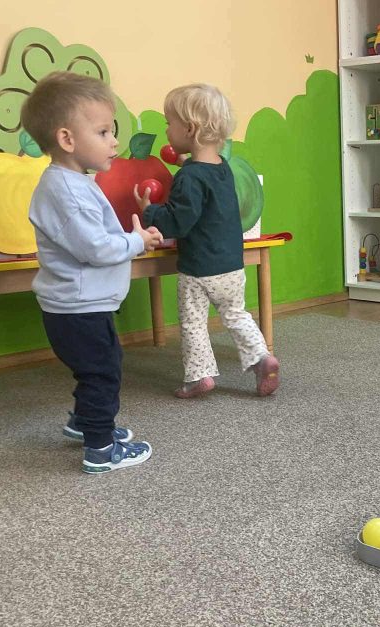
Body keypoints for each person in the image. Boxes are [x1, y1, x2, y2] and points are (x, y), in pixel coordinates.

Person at [22, 71, 162, 473]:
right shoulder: (67, 190)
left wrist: (131, 237)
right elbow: (95, 248)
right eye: (103, 132)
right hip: (79, 308)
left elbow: (94, 237)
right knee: (102, 373)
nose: (114, 141)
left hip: (80, 305)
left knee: (97, 368)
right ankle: (100, 448)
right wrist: (137, 242)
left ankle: (84, 423)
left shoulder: (74, 183)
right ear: (67, 139)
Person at [135, 83, 280, 399]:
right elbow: (207, 201)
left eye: (168, 123)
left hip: (199, 269)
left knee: (193, 322)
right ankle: (261, 357)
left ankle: (199, 376)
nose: (166, 130)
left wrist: (149, 212)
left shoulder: (188, 176)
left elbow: (179, 221)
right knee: (236, 315)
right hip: (231, 265)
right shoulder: (222, 169)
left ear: (189, 129)